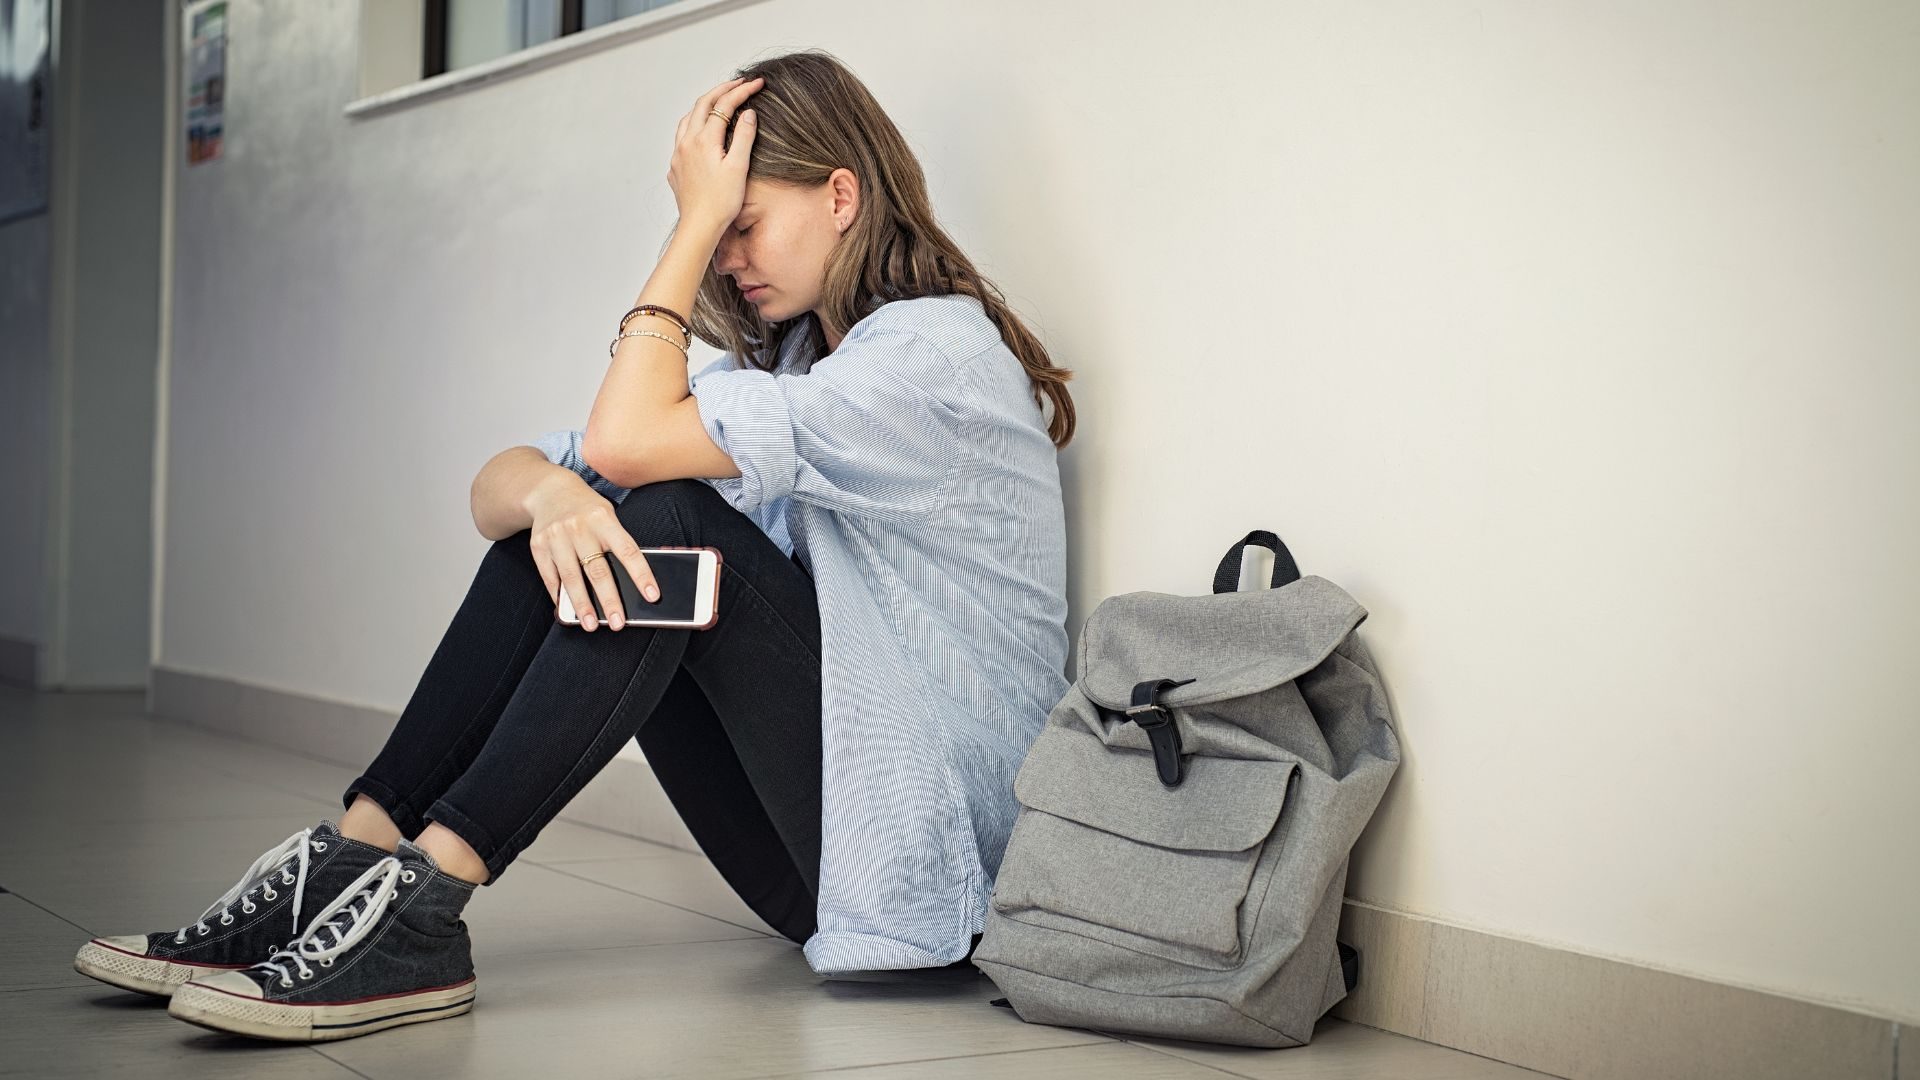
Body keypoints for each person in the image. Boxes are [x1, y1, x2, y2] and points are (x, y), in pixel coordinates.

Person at [70, 49, 1077, 1043]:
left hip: (936, 871)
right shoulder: (799, 365)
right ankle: (349, 864)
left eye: (741, 225)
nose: (726, 256)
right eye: (714, 234)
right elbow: (498, 488)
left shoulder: (932, 356)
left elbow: (624, 444)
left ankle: (424, 912)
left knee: (667, 524)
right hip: (831, 866)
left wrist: (687, 226)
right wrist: (552, 496)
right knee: (557, 532)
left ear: (842, 196)